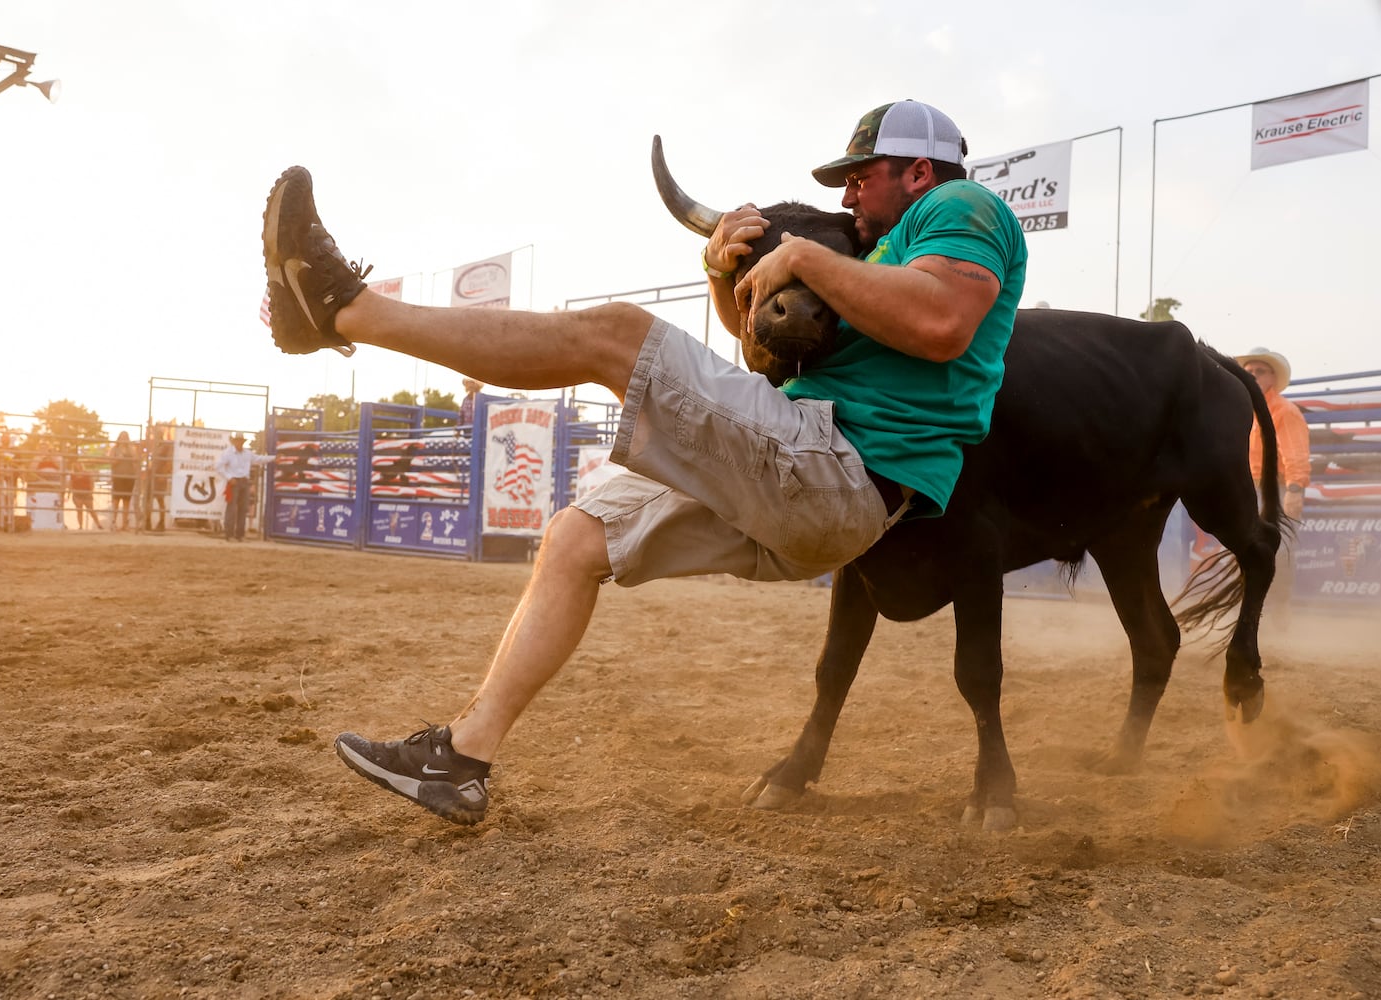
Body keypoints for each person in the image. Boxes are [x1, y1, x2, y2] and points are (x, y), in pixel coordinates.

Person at [261, 99, 1027, 825]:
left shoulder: (959, 211)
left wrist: (799, 254)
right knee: (574, 539)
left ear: (919, 172)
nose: (850, 190)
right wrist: (723, 275)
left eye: (863, 174)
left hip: (841, 466)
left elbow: (941, 322)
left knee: (614, 334)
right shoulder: (878, 255)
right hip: (813, 474)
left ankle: (339, 307)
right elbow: (762, 360)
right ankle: (460, 761)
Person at [1237, 347, 1311, 626]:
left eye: (1260, 371)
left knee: (1276, 551)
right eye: (1249, 372)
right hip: (1249, 488)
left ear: (1272, 378)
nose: (1253, 376)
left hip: (1275, 489)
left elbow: (1295, 454)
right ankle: (1254, 613)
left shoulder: (1284, 411)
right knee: (1249, 549)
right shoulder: (1248, 410)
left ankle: (1279, 612)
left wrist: (1294, 490)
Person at [214, 432, 273, 541]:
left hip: (244, 482)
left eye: (241, 441)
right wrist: (229, 477)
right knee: (232, 509)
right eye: (238, 441)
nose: (239, 443)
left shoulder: (247, 453)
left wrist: (272, 458)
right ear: (234, 442)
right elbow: (218, 466)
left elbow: (259, 459)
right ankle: (230, 534)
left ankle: (239, 535)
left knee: (242, 509)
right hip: (234, 482)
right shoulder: (228, 453)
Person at [108, 431, 140, 531]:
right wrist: (118, 458)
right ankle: (113, 523)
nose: (124, 439)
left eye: (126, 437)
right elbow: (111, 462)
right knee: (116, 500)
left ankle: (124, 524)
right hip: (118, 476)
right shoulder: (114, 449)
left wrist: (135, 460)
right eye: (122, 437)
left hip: (129, 477)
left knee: (126, 501)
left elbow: (136, 462)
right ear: (119, 438)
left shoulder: (132, 450)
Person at [68, 457, 103, 530]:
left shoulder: (87, 473)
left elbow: (91, 483)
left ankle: (98, 524)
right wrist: (72, 492)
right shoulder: (73, 474)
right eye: (77, 464)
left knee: (91, 510)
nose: (78, 465)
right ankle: (80, 526)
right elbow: (70, 484)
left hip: (87, 494)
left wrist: (91, 492)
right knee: (79, 511)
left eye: (79, 463)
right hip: (77, 494)